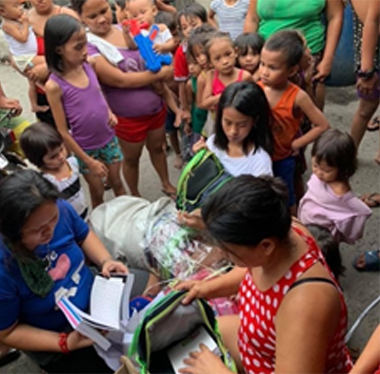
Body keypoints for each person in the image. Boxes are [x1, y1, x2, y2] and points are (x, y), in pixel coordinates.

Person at [176, 175, 353, 373]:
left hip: (272, 360)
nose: (225, 257)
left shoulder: (305, 303)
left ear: (266, 246)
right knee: (188, 338)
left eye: (230, 252)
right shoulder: (282, 230)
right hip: (259, 345)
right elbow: (252, 268)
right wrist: (207, 288)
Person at [0, 170, 129, 374]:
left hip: (98, 302)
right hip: (59, 335)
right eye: (37, 230)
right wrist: (65, 342)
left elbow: (83, 234)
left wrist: (106, 260)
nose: (50, 231)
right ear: (12, 233)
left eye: (53, 220)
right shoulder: (4, 268)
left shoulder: (58, 208)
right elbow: (7, 332)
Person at [71, 0, 176, 198]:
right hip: (127, 118)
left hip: (155, 109)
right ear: (80, 18)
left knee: (158, 148)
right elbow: (121, 80)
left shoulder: (127, 29)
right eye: (92, 16)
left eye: (104, 11)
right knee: (131, 159)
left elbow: (153, 51)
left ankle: (166, 182)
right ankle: (135, 195)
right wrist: (162, 74)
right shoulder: (90, 46)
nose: (101, 19)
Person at [44, 14, 125, 209]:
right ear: (58, 49)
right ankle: (98, 228)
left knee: (117, 183)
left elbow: (98, 93)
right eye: (78, 47)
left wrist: (109, 112)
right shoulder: (54, 86)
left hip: (109, 138)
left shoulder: (90, 65)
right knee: (97, 192)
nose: (84, 51)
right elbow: (63, 132)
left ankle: (131, 219)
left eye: (85, 44)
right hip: (85, 148)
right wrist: (88, 160)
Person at [258, 30, 329, 212]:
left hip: (283, 157)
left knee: (286, 196)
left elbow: (322, 125)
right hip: (259, 155)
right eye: (262, 64)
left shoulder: (297, 96)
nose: (264, 72)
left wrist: (298, 143)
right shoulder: (256, 88)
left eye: (272, 68)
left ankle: (295, 227)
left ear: (292, 70)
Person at [243, 0, 343, 110]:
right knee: (265, 110)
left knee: (308, 114)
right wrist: (248, 54)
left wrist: (328, 59)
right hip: (267, 58)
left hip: (308, 57)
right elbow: (252, 19)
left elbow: (335, 16)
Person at [298, 129, 372, 244]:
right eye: (315, 165)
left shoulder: (340, 191)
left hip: (322, 231)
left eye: (326, 170)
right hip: (307, 218)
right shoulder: (324, 175)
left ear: (342, 169)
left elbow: (352, 212)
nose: (319, 173)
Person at [194, 81, 273, 177]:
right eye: (227, 122)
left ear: (255, 121)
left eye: (242, 125)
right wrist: (200, 159)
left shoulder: (260, 163)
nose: (233, 131)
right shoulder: (212, 143)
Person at [25, 0, 78, 126]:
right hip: (42, 94)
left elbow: (85, 52)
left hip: (71, 90)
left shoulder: (68, 16)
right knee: (52, 139)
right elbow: (15, 57)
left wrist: (49, 66)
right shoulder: (22, 20)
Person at [20, 122, 88, 219]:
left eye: (61, 149)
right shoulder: (45, 182)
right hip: (66, 222)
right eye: (53, 157)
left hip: (84, 213)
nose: (61, 156)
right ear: (38, 160)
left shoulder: (72, 163)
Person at [0, 0, 46, 114]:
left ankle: (35, 105)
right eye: (16, 6)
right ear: (2, 11)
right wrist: (25, 23)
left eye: (20, 5)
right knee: (49, 62)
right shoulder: (7, 25)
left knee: (33, 83)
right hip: (24, 59)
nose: (20, 8)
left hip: (28, 56)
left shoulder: (17, 20)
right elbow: (22, 38)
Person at [350, 0, 380, 159]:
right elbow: (372, 20)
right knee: (366, 107)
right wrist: (366, 70)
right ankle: (349, 154)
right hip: (372, 52)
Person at [174, 3, 208, 125]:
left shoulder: (215, 43)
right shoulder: (181, 51)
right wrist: (185, 109)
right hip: (194, 94)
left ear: (205, 22)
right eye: (184, 27)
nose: (189, 30)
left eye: (193, 25)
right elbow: (181, 83)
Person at [200, 32, 252, 111]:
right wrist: (225, 95)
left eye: (228, 54)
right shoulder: (211, 75)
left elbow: (253, 100)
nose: (225, 61)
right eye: (217, 58)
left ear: (236, 52)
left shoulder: (245, 76)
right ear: (210, 63)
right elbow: (204, 103)